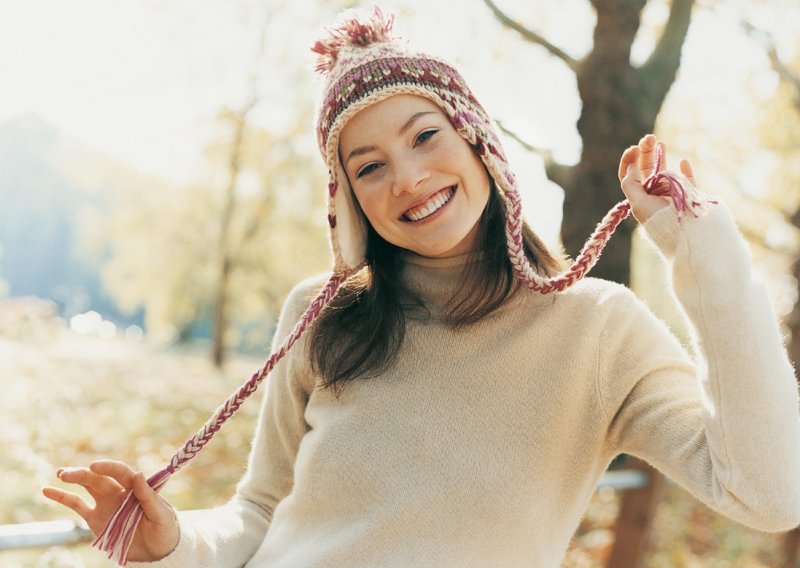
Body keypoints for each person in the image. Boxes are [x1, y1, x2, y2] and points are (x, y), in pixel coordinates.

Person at [43, 7, 800, 567]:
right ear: (348, 201)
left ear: (479, 143)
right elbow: (261, 510)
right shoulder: (320, 315)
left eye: (425, 135)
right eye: (368, 166)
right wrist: (172, 541)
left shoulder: (599, 329)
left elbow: (769, 496)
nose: (407, 178)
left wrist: (703, 252)